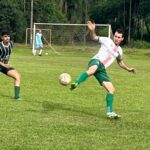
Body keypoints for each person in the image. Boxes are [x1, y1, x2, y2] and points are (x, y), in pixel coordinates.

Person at [70, 20, 136, 119]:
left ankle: (109, 112)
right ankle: (76, 83)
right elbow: (94, 37)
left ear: (122, 38)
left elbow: (120, 62)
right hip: (96, 61)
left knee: (111, 90)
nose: (116, 38)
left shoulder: (119, 51)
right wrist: (92, 30)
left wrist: (128, 69)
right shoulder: (107, 40)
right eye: (115, 36)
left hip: (102, 69)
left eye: (119, 37)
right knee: (92, 70)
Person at [0, 31, 21, 100]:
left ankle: (17, 96)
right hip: (2, 65)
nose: (7, 38)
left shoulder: (11, 43)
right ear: (2, 37)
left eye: (8, 36)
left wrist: (5, 64)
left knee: (17, 76)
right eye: (5, 36)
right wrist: (3, 64)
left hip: (4, 66)